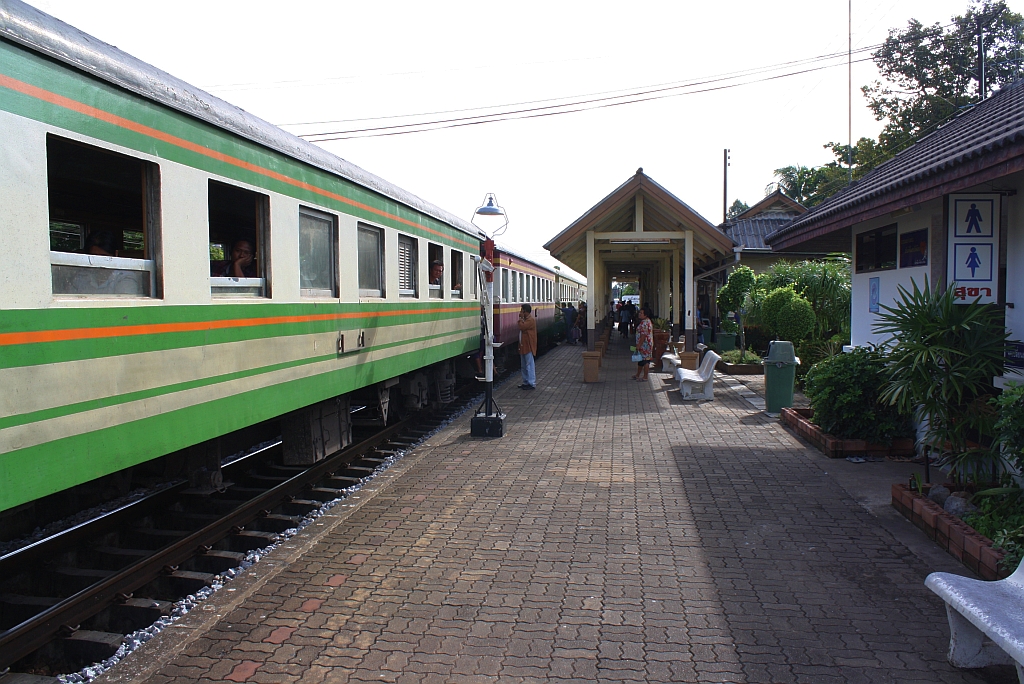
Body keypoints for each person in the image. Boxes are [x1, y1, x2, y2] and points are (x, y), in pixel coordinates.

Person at [517, 303, 537, 390]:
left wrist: (520, 319)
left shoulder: (530, 320)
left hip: (528, 345)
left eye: (522, 310)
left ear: (525, 311)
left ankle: (531, 383)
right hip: (523, 345)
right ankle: (525, 381)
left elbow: (522, 327)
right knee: (524, 365)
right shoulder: (526, 320)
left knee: (529, 364)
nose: (520, 312)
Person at [633, 307, 654, 382]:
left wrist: (639, 344)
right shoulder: (645, 321)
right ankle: (637, 375)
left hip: (645, 345)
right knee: (641, 359)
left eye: (641, 313)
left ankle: (645, 376)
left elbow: (643, 335)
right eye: (640, 312)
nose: (639, 314)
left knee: (646, 360)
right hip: (644, 344)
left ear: (646, 315)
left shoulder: (645, 323)